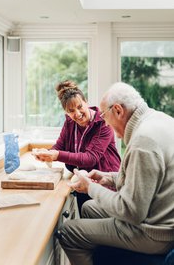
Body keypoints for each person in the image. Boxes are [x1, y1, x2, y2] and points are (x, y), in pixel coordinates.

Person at [56, 82, 174, 265]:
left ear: (118, 110)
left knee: (68, 231)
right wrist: (108, 177)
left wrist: (91, 187)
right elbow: (149, 179)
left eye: (105, 116)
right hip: (158, 216)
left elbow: (132, 211)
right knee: (88, 208)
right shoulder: (160, 119)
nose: (108, 125)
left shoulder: (143, 142)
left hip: (154, 232)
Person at [34, 80, 121, 214]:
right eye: (71, 111)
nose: (77, 113)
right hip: (82, 182)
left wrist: (57, 155)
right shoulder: (69, 123)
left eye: (80, 106)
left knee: (93, 225)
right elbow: (60, 145)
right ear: (66, 112)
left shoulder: (103, 123)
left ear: (86, 102)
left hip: (105, 185)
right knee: (86, 220)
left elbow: (91, 158)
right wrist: (47, 153)